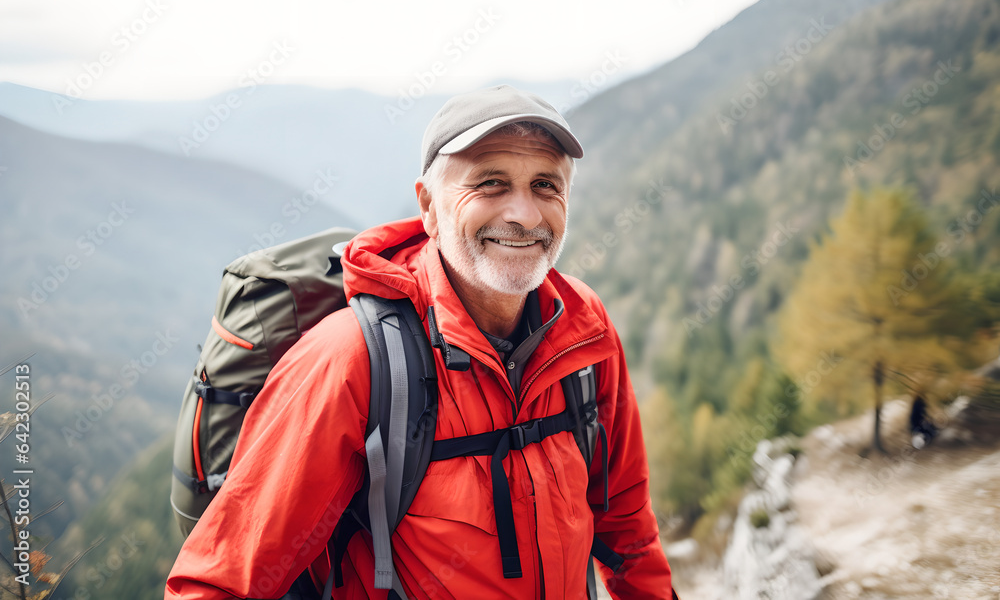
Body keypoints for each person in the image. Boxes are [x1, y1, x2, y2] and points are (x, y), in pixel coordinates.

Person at [165, 85, 674, 599]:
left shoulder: (582, 334)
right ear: (428, 206)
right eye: (490, 183)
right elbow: (217, 583)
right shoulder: (354, 360)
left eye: (546, 185)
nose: (524, 214)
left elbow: (627, 526)